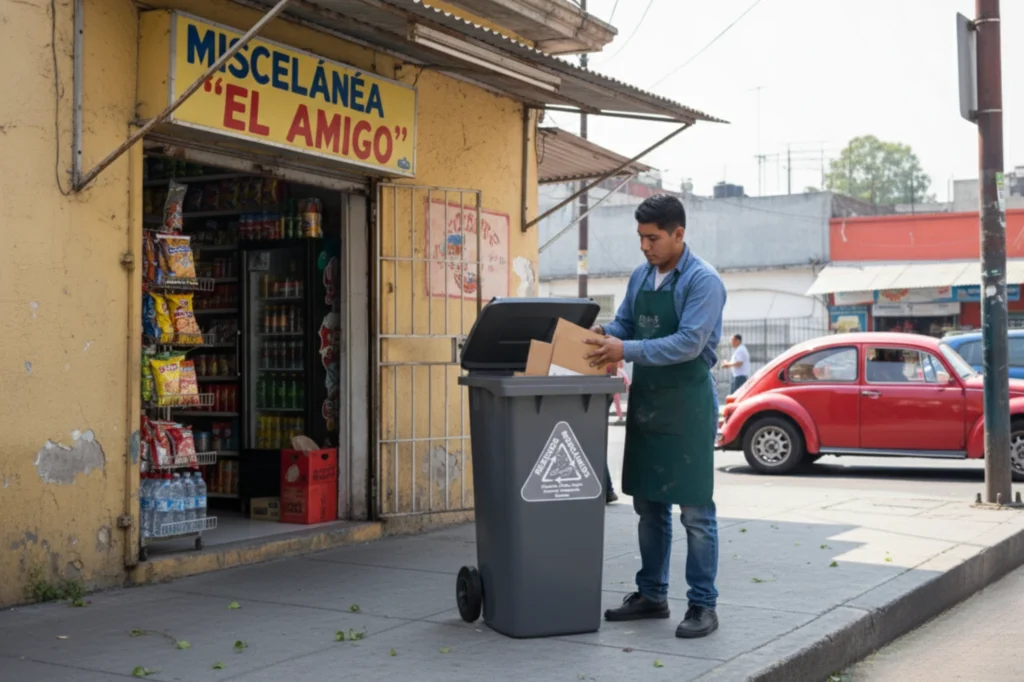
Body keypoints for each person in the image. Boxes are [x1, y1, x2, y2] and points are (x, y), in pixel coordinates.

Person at [584, 193, 726, 639]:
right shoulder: (642, 275)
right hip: (649, 401)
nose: (645, 247)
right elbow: (626, 323)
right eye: (641, 238)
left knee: (696, 513)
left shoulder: (703, 281)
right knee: (648, 505)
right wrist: (604, 334)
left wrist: (624, 349)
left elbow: (688, 342)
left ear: (679, 234)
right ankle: (652, 594)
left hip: (687, 403)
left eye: (653, 238)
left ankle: (702, 604)